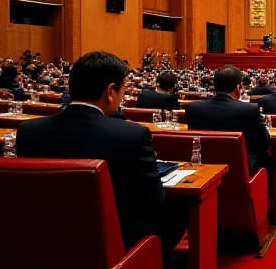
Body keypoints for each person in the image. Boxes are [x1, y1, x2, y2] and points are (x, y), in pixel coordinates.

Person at [16, 51, 167, 252]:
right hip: (112, 247)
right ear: (110, 91)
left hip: (42, 243)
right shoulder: (133, 135)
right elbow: (154, 200)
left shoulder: (28, 132)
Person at [186, 65, 273, 176]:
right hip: (239, 171)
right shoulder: (249, 110)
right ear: (237, 87)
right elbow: (265, 142)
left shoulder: (194, 108)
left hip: (204, 169)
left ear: (214, 86)